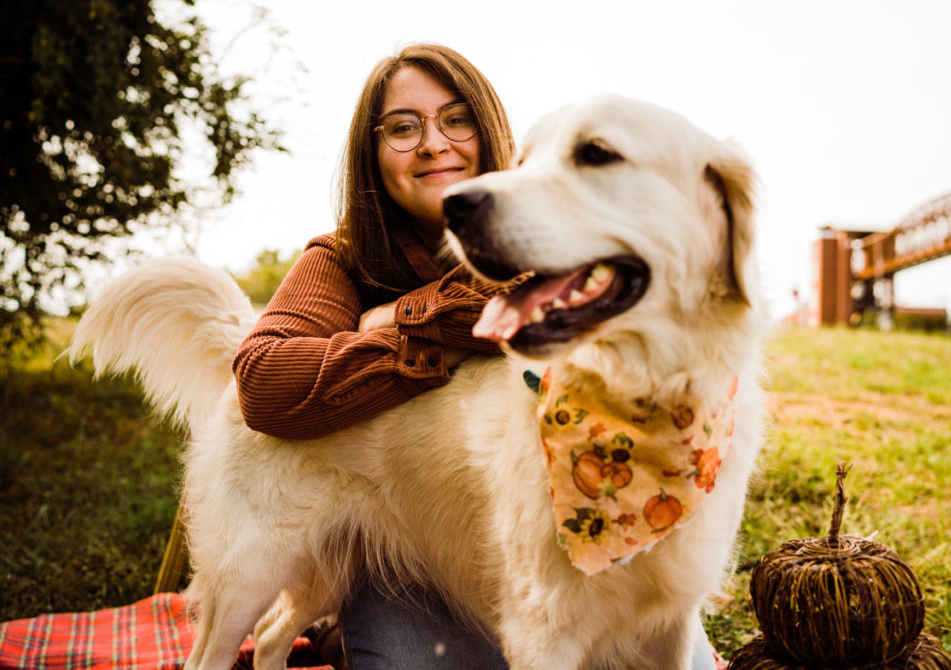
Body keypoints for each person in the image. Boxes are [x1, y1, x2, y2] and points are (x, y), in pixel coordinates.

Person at [232, 43, 719, 670]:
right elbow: (267, 383)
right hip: (408, 538)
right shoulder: (341, 256)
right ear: (372, 156)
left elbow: (528, 304)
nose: (434, 143)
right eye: (403, 128)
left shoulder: (566, 229)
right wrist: (421, 337)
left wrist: (396, 314)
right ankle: (345, 626)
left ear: (492, 137)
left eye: (457, 119)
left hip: (597, 522)